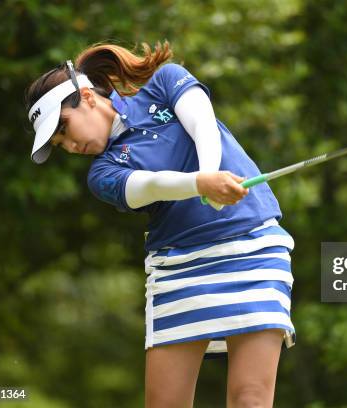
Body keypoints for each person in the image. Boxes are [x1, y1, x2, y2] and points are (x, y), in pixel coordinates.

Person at [25, 41, 296, 407]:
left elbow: (203, 124)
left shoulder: (165, 82)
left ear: (86, 96)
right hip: (178, 266)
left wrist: (209, 172)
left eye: (64, 128)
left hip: (253, 248)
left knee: (251, 399)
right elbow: (148, 186)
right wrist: (200, 185)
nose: (69, 145)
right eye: (59, 143)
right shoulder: (102, 173)